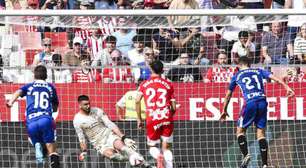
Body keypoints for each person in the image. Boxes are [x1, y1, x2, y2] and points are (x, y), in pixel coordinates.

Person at [220, 57, 295, 168]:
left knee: (240, 131)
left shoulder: (237, 75)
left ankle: (246, 155)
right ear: (250, 64)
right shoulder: (259, 71)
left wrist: (224, 110)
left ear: (239, 65)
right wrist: (287, 88)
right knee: (261, 133)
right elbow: (276, 79)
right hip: (262, 102)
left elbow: (228, 95)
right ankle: (265, 164)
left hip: (250, 102)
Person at [73, 95, 153, 167]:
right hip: (99, 143)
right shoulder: (77, 120)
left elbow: (110, 124)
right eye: (85, 104)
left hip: (109, 136)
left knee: (124, 148)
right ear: (79, 105)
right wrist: (84, 151)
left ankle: (147, 165)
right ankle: (134, 159)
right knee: (112, 156)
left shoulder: (97, 111)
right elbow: (81, 138)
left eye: (89, 103)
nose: (88, 106)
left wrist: (123, 138)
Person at [6, 65, 60, 167]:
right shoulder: (51, 87)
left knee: (36, 140)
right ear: (46, 76)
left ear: (34, 75)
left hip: (31, 121)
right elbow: (55, 107)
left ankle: (37, 145)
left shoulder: (29, 86)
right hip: (45, 119)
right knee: (52, 148)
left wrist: (11, 102)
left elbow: (18, 92)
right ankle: (52, 160)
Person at [135, 60, 177, 168]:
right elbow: (173, 106)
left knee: (152, 145)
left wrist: (139, 119)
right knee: (167, 147)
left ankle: (158, 155)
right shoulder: (168, 84)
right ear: (162, 70)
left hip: (152, 118)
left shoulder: (144, 84)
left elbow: (137, 100)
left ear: (151, 69)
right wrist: (170, 114)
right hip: (166, 116)